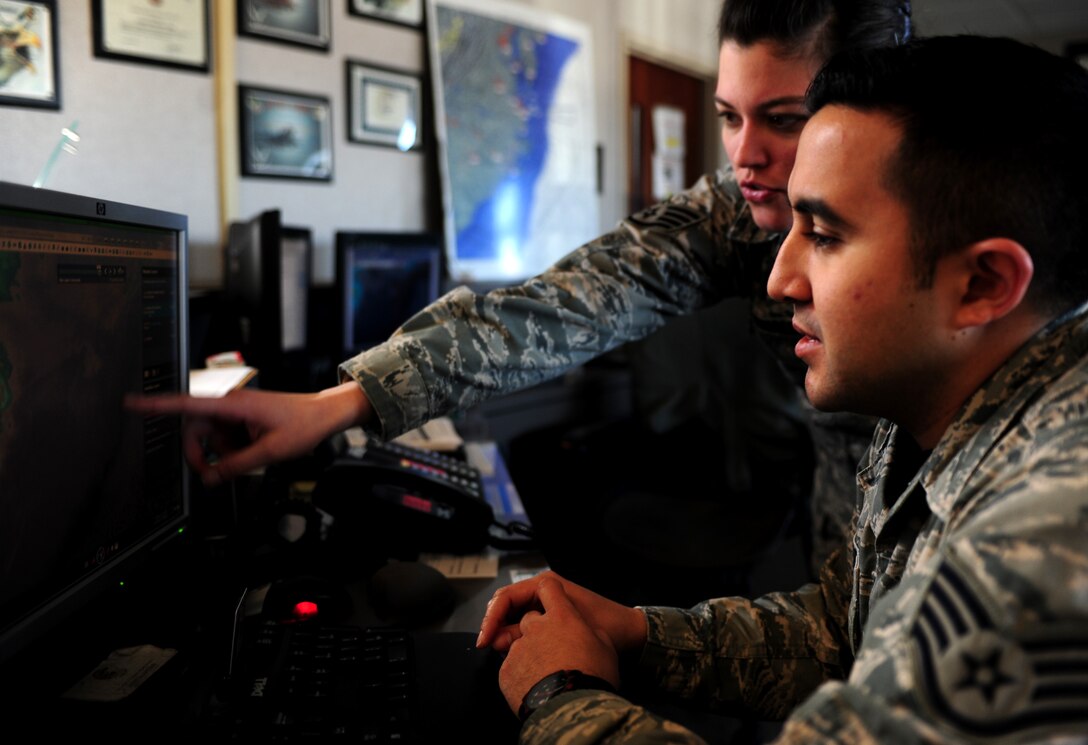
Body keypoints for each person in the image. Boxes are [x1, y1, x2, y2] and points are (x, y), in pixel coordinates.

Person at [127, 0, 912, 576]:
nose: (746, 155)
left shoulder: (965, 223)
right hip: (844, 524)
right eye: (728, 117)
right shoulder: (736, 215)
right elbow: (562, 303)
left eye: (781, 118)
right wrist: (342, 404)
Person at [475, 34, 1088, 744]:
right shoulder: (938, 397)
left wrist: (562, 695)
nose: (778, 279)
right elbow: (844, 631)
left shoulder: (1047, 540)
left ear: (982, 285)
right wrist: (640, 632)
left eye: (824, 234)